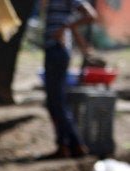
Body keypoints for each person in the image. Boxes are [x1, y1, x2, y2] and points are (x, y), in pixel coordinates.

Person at [42, 0, 97, 158]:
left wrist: (64, 28)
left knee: (56, 101)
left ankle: (75, 144)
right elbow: (71, 23)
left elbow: (90, 15)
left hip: (56, 51)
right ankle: (65, 145)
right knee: (54, 101)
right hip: (53, 49)